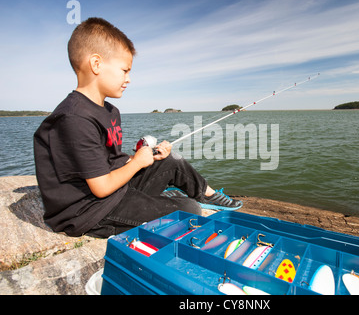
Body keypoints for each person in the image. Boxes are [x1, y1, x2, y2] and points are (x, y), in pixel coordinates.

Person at [33, 17, 242, 238]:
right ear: (96, 64)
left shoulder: (110, 111)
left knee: (171, 161)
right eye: (124, 70)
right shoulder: (74, 118)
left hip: (114, 192)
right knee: (189, 210)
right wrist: (138, 164)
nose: (129, 79)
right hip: (90, 211)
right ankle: (173, 201)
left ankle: (206, 194)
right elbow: (101, 187)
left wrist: (141, 158)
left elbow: (108, 163)